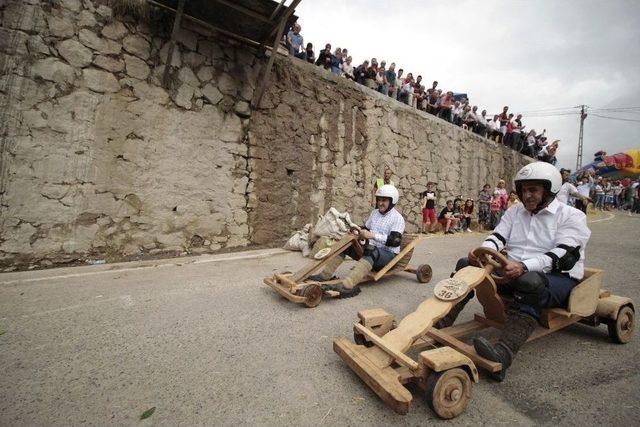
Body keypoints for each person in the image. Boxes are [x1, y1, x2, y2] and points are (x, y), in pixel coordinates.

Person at [436, 162, 591, 380]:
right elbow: (497, 237)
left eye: (533, 190)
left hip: (558, 277)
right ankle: (440, 323)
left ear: (549, 190)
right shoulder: (515, 211)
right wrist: (484, 252)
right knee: (466, 266)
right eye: (523, 190)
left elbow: (563, 255)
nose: (527, 195)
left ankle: (503, 353)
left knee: (530, 282)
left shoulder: (572, 216)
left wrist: (525, 266)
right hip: (513, 270)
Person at [308, 185, 405, 297]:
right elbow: (366, 229)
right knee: (347, 244)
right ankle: (325, 275)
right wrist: (357, 233)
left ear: (392, 201)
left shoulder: (397, 218)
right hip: (371, 252)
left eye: (384, 200)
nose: (380, 203)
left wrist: (372, 235)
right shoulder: (375, 213)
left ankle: (348, 286)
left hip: (388, 256)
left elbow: (395, 241)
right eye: (379, 199)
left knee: (371, 250)